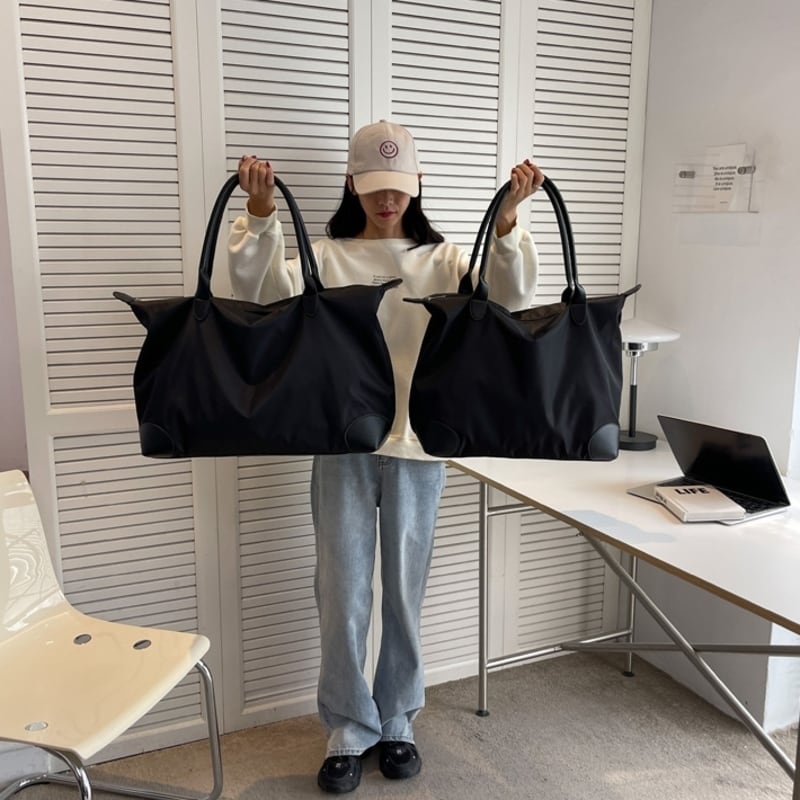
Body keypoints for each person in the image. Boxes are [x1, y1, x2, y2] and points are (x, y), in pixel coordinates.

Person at [228, 120, 543, 794]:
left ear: (417, 183)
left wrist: (508, 221)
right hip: (341, 442)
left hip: (420, 444)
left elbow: (511, 303)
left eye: (398, 187)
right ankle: (348, 727)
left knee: (404, 593)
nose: (388, 200)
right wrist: (259, 212)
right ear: (352, 184)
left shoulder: (447, 260)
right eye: (374, 187)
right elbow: (259, 299)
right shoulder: (324, 256)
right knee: (341, 594)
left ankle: (398, 719)